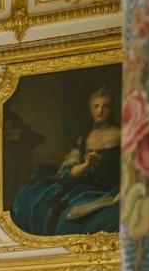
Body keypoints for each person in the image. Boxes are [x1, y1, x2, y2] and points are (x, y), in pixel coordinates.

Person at [10, 86, 121, 237]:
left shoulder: (122, 134)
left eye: (105, 106)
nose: (100, 111)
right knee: (37, 197)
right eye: (96, 106)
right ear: (91, 109)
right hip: (84, 185)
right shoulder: (85, 136)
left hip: (107, 187)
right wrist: (86, 165)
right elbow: (69, 169)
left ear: (111, 108)